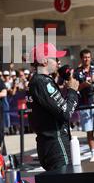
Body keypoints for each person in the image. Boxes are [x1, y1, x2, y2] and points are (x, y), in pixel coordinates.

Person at [28, 43, 79, 171]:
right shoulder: (42, 82)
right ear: (44, 61)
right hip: (55, 144)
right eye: (55, 58)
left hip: (48, 143)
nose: (59, 62)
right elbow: (66, 113)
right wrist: (72, 91)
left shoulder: (40, 81)